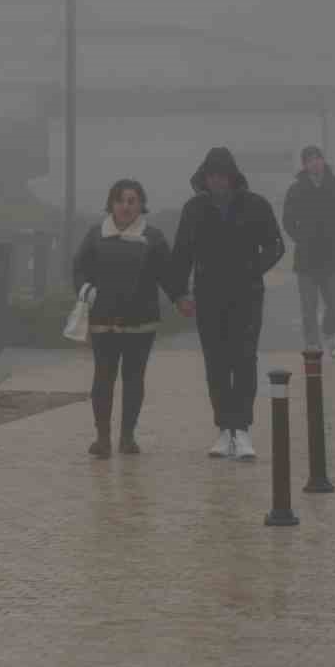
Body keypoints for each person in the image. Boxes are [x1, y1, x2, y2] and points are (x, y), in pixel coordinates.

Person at [169, 148, 286, 461]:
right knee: (216, 361)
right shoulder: (194, 209)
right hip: (208, 294)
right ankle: (223, 429)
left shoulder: (256, 205)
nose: (217, 181)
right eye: (212, 176)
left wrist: (253, 267)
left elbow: (276, 244)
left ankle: (243, 429)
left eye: (222, 175)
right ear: (204, 178)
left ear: (233, 177)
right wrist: (179, 293)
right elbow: (181, 253)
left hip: (247, 294)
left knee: (244, 358)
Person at [71, 179, 183, 458]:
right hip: (103, 319)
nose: (126, 206)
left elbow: (167, 274)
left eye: (132, 200)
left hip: (141, 321)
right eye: (120, 200)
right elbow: (79, 269)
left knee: (134, 379)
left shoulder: (153, 237)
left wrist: (181, 298)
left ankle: (127, 437)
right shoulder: (96, 235)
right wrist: (88, 291)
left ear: (141, 204)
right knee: (103, 377)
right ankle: (102, 439)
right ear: (111, 203)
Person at [281, 145, 335, 359]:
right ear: (305, 165)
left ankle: (329, 333)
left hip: (332, 255)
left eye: (317, 158)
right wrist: (301, 238)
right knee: (308, 305)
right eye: (309, 160)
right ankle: (312, 342)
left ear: (323, 161)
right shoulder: (296, 190)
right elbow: (287, 220)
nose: (315, 163)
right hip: (306, 257)